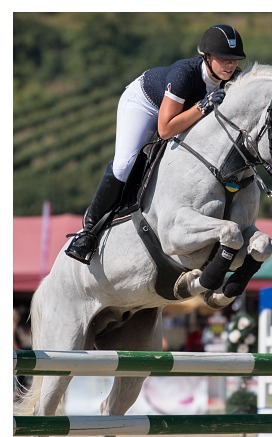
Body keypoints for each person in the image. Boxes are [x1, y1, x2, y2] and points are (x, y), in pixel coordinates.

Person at [66, 24, 246, 264]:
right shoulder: (185, 74)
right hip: (145, 105)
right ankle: (88, 231)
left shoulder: (235, 80)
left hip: (182, 113)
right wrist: (203, 106)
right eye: (224, 59)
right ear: (207, 57)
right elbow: (165, 129)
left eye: (234, 59)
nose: (230, 65)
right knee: (125, 164)